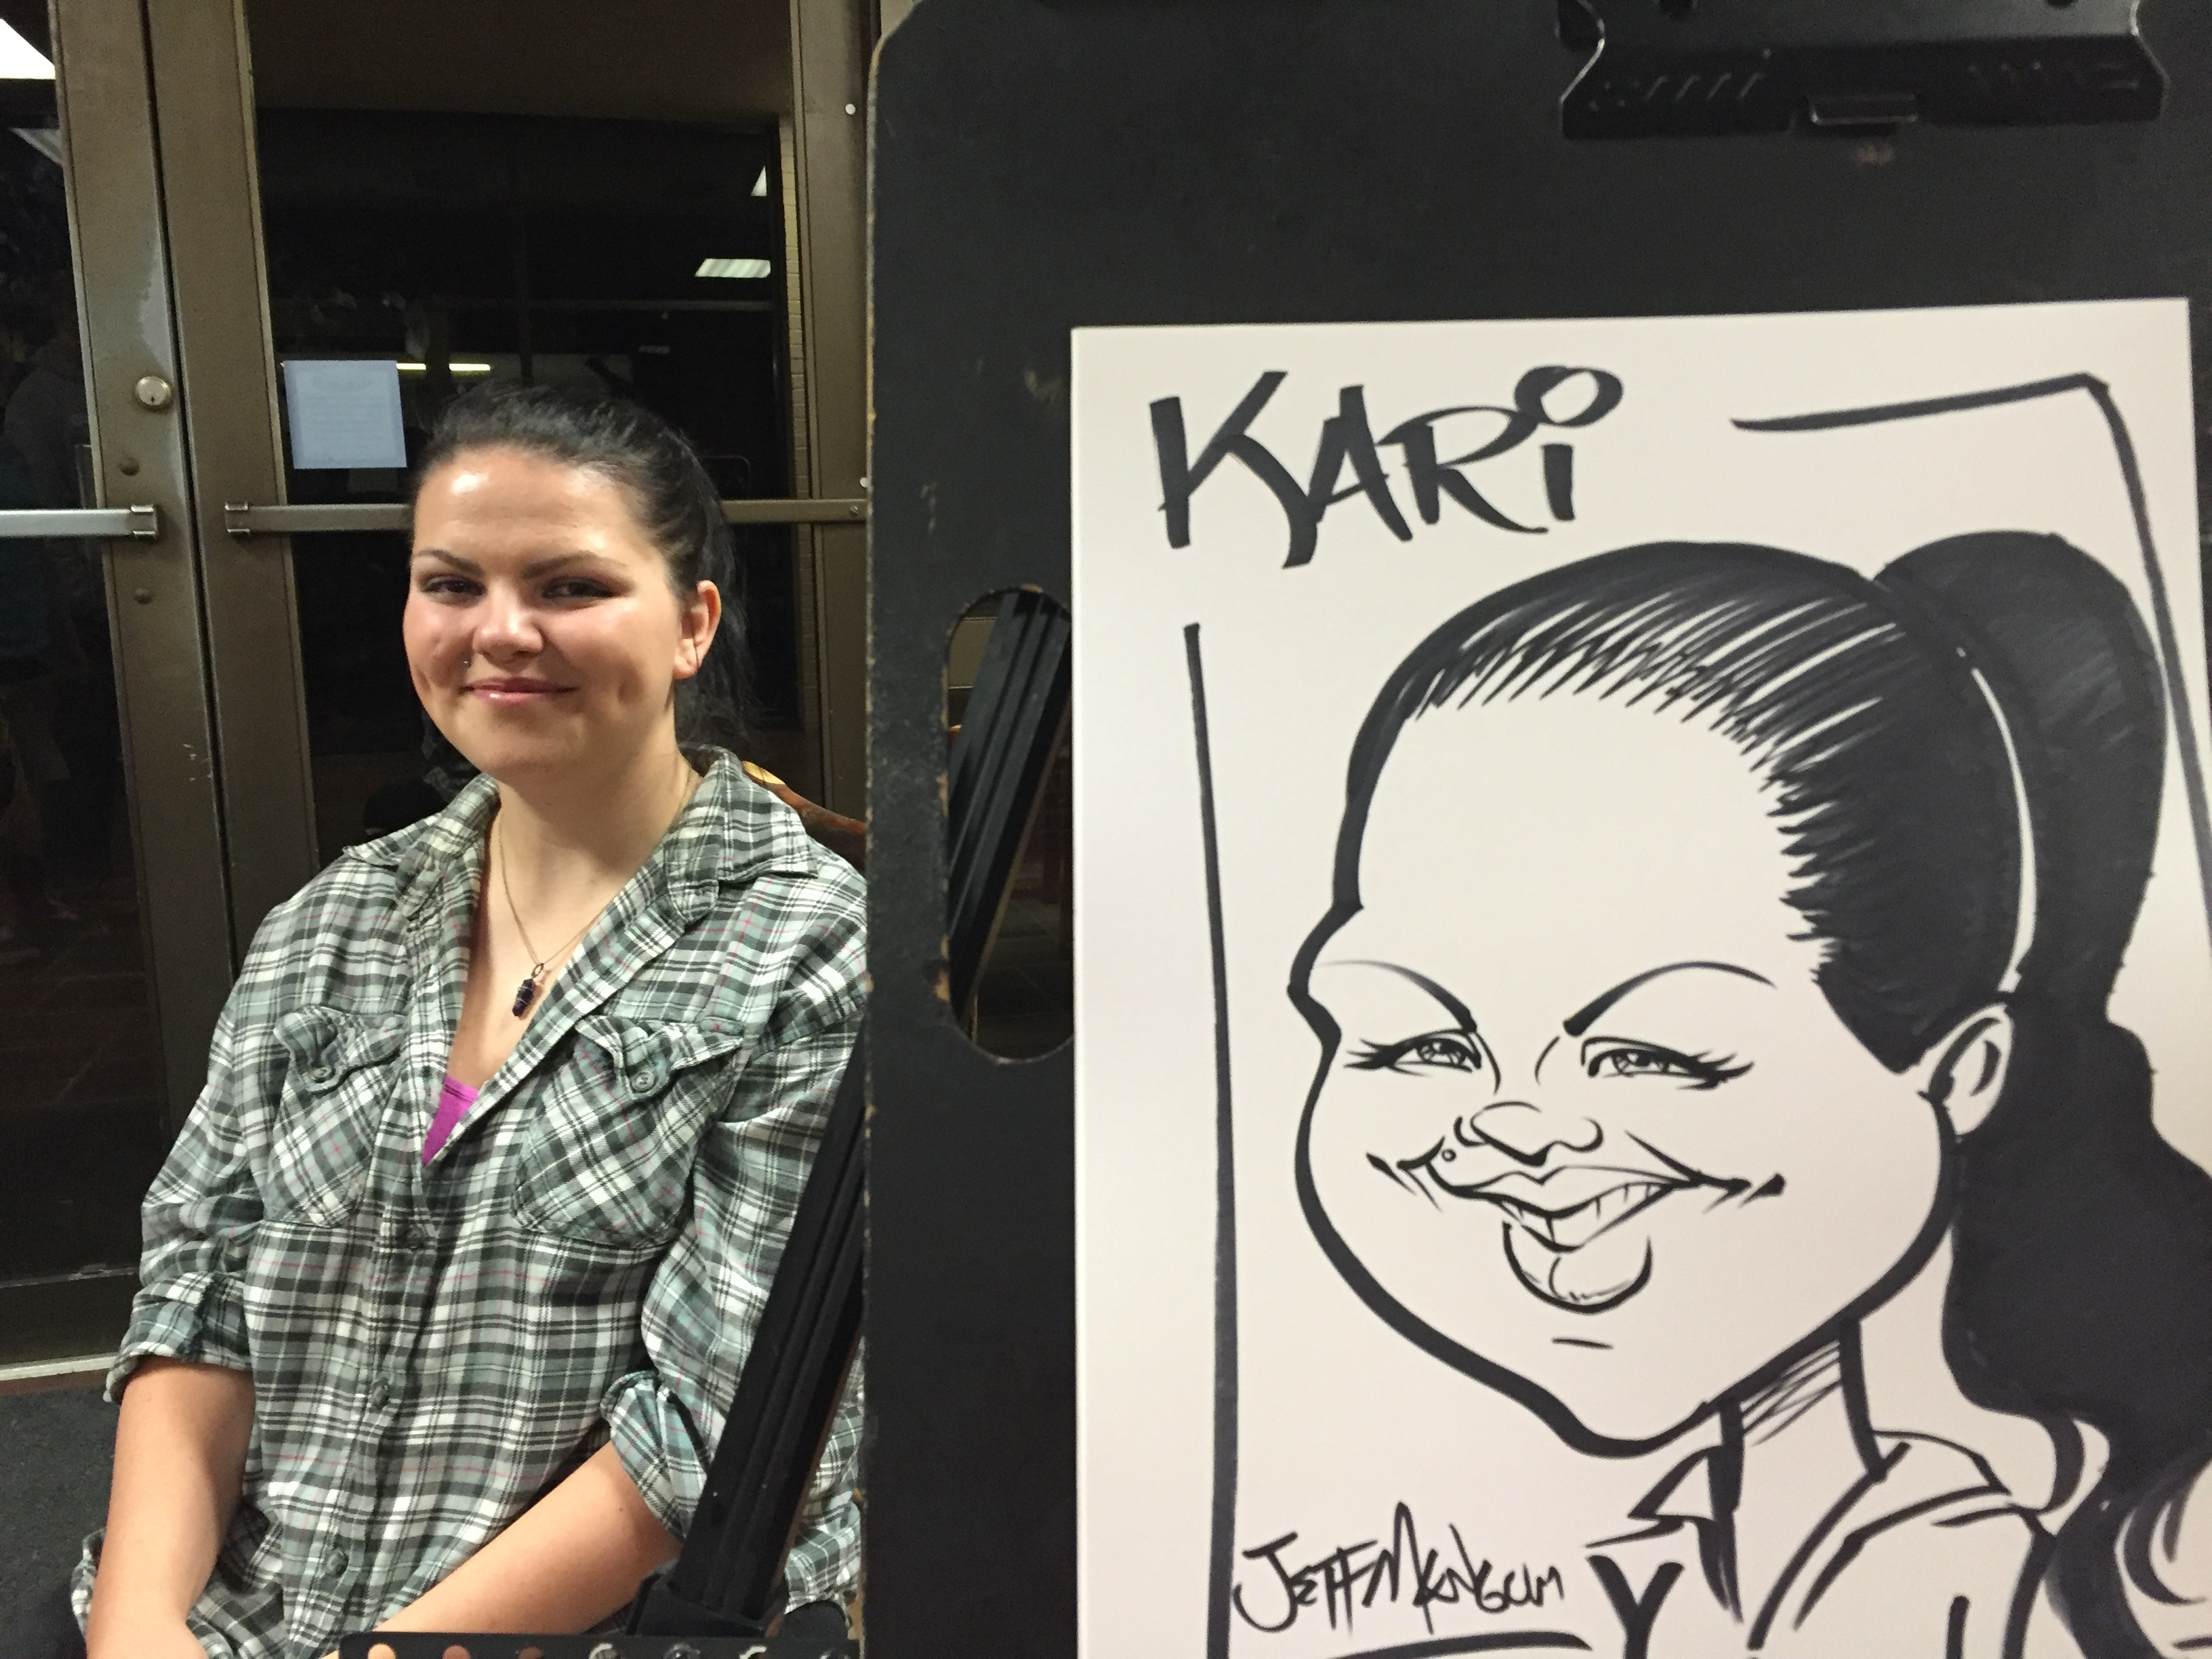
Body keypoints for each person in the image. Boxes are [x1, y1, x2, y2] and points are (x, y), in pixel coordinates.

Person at [7, 383, 865, 1659]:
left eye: (571, 586)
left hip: (591, 1629)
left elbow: (717, 1430)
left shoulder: (812, 953)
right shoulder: (334, 921)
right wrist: (138, 1624)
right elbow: (198, 1293)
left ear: (693, 625)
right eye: (452, 584)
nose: (500, 632)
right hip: (246, 1606)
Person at [1291, 535, 2212, 1657]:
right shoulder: (1681, 1556)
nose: (1512, 1127)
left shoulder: (2140, 1579)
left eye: (1651, 1053)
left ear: (1961, 1070)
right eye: (1421, 1041)